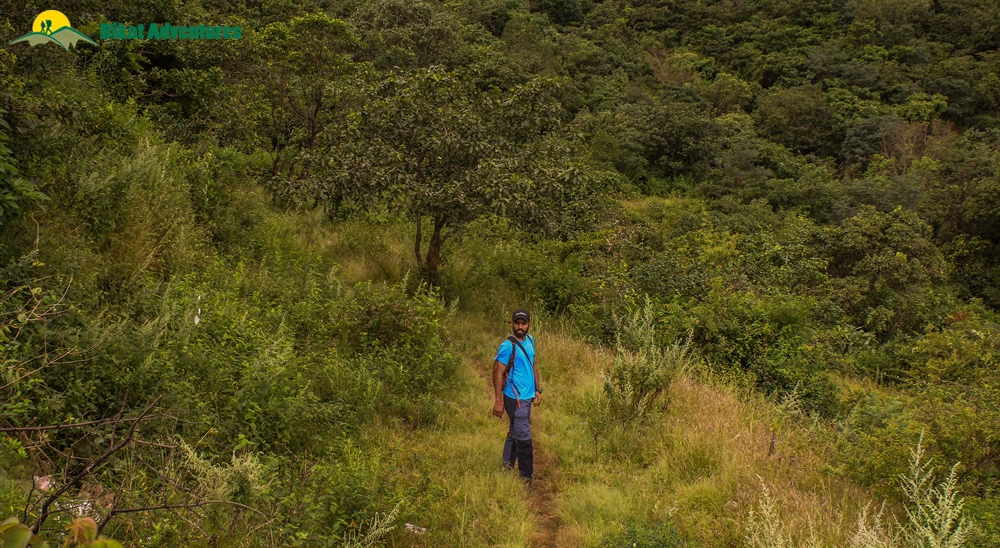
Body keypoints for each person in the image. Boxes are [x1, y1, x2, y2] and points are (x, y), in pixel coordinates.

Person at [492, 308, 542, 485]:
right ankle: (526, 479)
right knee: (524, 439)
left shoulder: (530, 340)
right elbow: (499, 373)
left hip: (527, 397)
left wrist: (537, 389)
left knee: (515, 432)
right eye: (517, 323)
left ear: (529, 324)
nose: (520, 326)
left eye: (523, 323)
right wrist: (498, 401)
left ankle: (506, 467)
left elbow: (533, 364)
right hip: (515, 399)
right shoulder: (508, 345)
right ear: (512, 323)